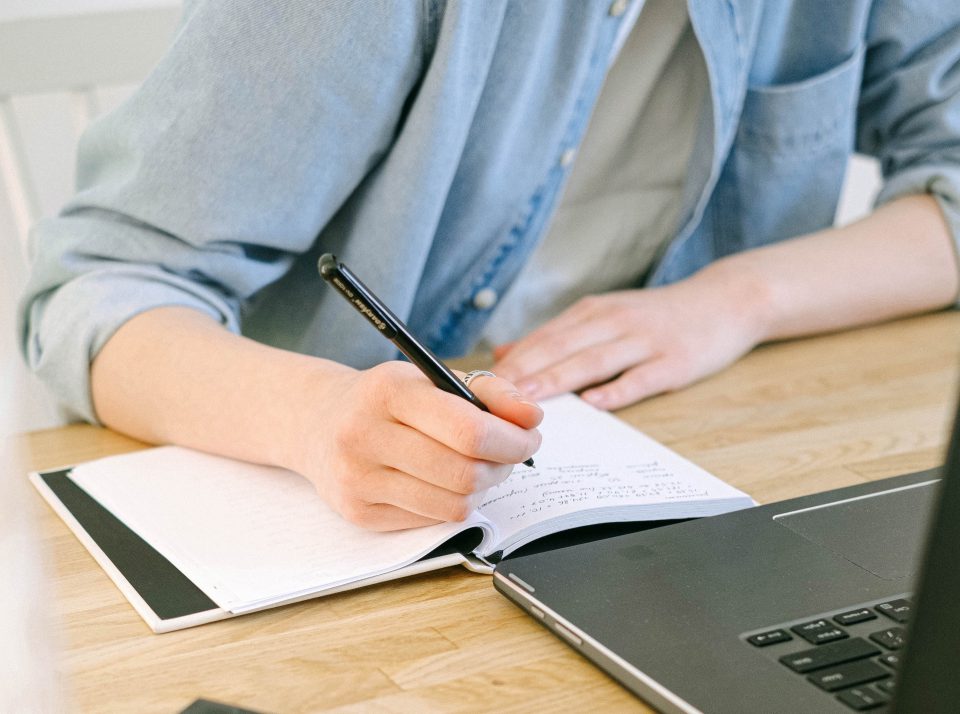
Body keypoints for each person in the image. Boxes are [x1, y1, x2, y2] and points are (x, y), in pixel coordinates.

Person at [19, 1, 960, 531]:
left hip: (694, 488)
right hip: (346, 524)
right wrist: (314, 416)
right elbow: (97, 290)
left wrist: (734, 301)